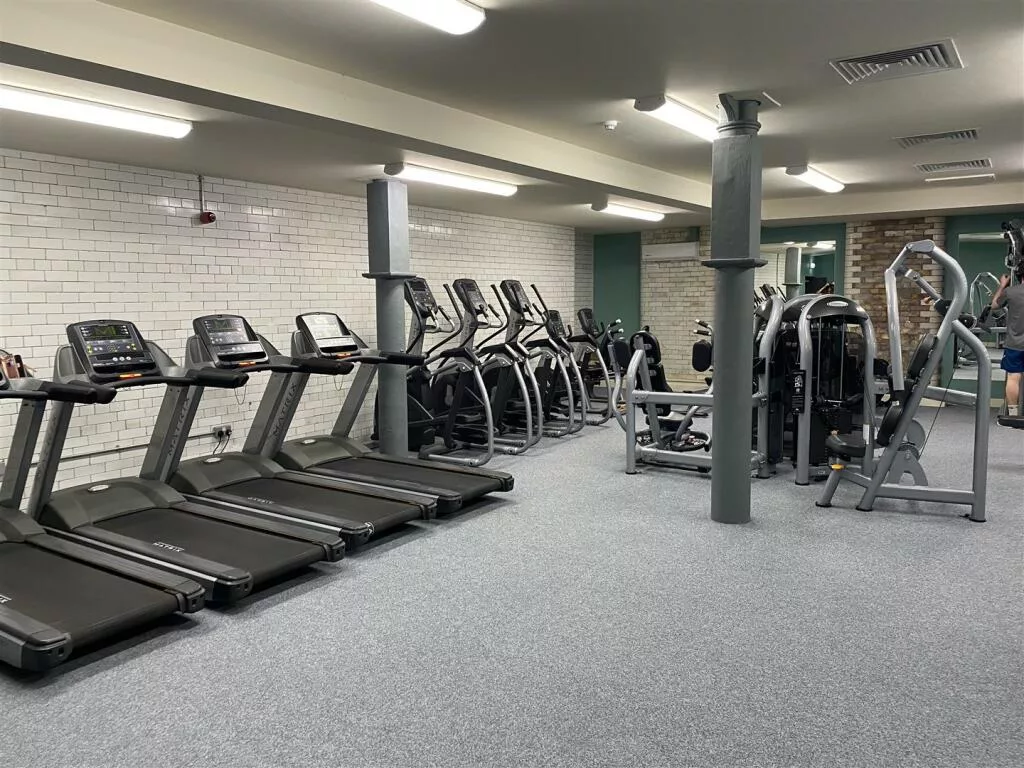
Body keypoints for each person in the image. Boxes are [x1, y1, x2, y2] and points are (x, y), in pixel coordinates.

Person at [992, 266, 1024, 418]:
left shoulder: (1010, 292)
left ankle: (1012, 415)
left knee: (1013, 377)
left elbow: (994, 305)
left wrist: (1002, 285)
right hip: (1015, 344)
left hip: (1015, 344)